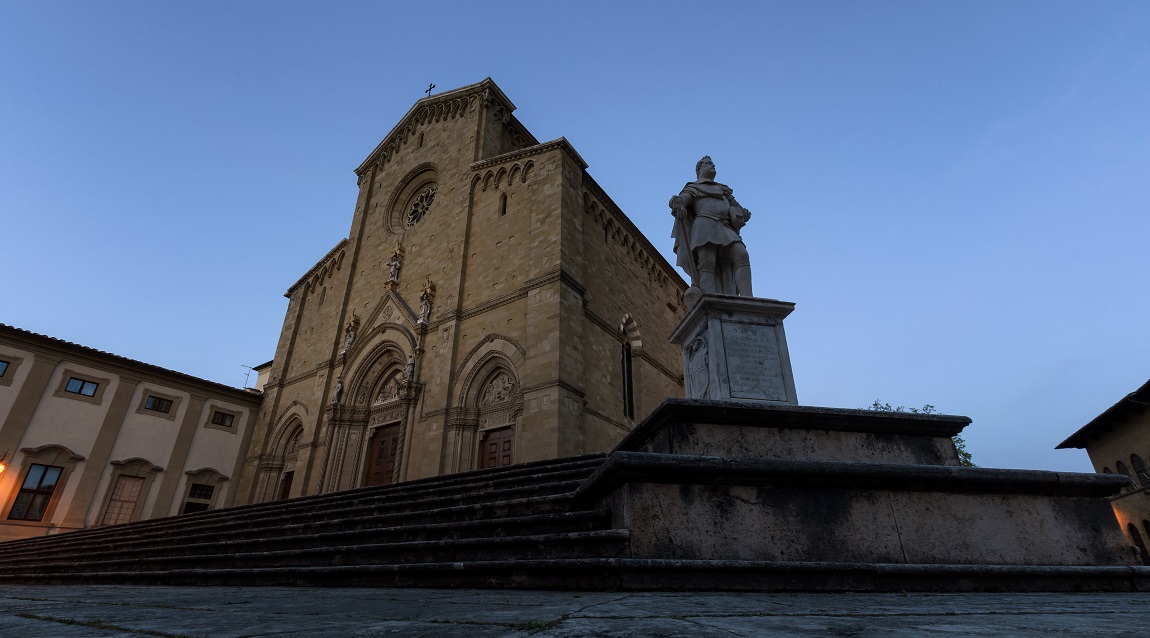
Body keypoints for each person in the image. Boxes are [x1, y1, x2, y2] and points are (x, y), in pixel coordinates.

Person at [669, 156, 753, 296]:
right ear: (699, 170)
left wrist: (743, 214)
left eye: (713, 164)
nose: (713, 166)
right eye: (708, 164)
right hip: (704, 225)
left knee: (742, 255)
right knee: (707, 263)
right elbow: (682, 199)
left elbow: (738, 208)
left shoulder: (723, 190)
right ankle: (709, 301)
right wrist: (677, 202)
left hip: (725, 226)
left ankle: (748, 298)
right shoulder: (693, 187)